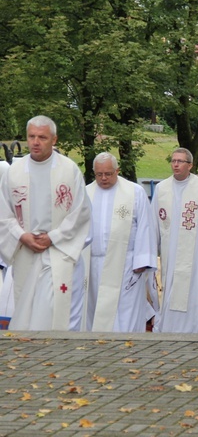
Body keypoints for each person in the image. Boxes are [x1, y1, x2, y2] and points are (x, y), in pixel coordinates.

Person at [0, 116, 91, 330]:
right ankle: (26, 356)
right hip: (25, 250)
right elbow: (3, 212)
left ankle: (53, 354)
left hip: (57, 252)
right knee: (25, 308)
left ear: (54, 139)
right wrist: (21, 235)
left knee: (51, 308)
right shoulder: (14, 171)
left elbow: (80, 212)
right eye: (31, 136)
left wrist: (54, 237)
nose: (35, 142)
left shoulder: (69, 170)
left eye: (42, 137)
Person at [84, 153, 157, 332]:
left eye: (108, 174)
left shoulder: (134, 192)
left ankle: (127, 345)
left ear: (117, 170)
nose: (103, 178)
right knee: (95, 307)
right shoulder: (86, 192)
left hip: (126, 264)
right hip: (93, 263)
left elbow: (146, 226)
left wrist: (142, 260)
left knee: (124, 311)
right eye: (99, 174)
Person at [151, 147, 198, 333]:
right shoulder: (161, 188)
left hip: (195, 253)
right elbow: (154, 222)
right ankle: (167, 329)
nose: (175, 164)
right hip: (169, 250)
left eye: (180, 161)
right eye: (173, 160)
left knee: (191, 291)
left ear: (190, 165)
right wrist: (151, 250)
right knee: (170, 288)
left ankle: (191, 331)